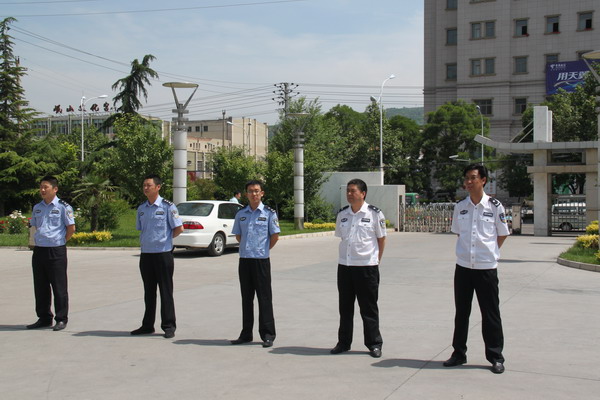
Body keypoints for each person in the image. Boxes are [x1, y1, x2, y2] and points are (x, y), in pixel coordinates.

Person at [444, 164, 510, 374]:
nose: (469, 182)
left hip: (486, 268)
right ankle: (458, 353)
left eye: (473, 178)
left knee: (490, 313)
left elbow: (502, 234)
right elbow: (459, 233)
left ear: (483, 180)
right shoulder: (460, 206)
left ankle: (495, 356)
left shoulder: (494, 206)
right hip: (463, 267)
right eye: (467, 178)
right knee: (461, 312)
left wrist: (488, 252)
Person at [330, 179, 387, 358]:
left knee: (368, 308)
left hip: (366, 268)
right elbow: (342, 238)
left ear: (363, 193)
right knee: (345, 308)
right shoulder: (342, 214)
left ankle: (374, 343)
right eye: (347, 191)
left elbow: (381, 239)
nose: (349, 194)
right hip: (345, 267)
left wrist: (375, 261)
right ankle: (343, 342)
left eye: (353, 191)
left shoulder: (375, 214)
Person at [131, 175, 183, 339]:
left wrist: (165, 240)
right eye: (144, 185)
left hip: (163, 254)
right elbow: (141, 229)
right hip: (146, 254)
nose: (145, 188)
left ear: (158, 187)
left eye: (149, 185)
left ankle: (168, 326)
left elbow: (179, 228)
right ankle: (147, 325)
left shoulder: (168, 206)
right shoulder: (142, 208)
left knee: (165, 291)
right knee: (149, 291)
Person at [230, 180, 280, 348]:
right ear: (246, 194)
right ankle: (246, 334)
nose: (254, 194)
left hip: (261, 260)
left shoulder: (269, 213)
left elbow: (274, 236)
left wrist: (262, 249)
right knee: (246, 298)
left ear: (262, 193)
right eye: (250, 191)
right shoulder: (241, 213)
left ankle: (268, 334)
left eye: (257, 191)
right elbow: (238, 235)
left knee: (264, 298)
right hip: (245, 260)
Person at [27, 175, 76, 331]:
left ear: (55, 189)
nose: (42, 190)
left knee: (59, 286)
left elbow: (71, 228)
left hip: (56, 250)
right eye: (41, 187)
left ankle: (61, 318)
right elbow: (35, 227)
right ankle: (44, 317)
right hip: (39, 250)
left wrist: (60, 241)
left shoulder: (63, 207)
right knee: (40, 286)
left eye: (45, 187)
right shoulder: (37, 207)